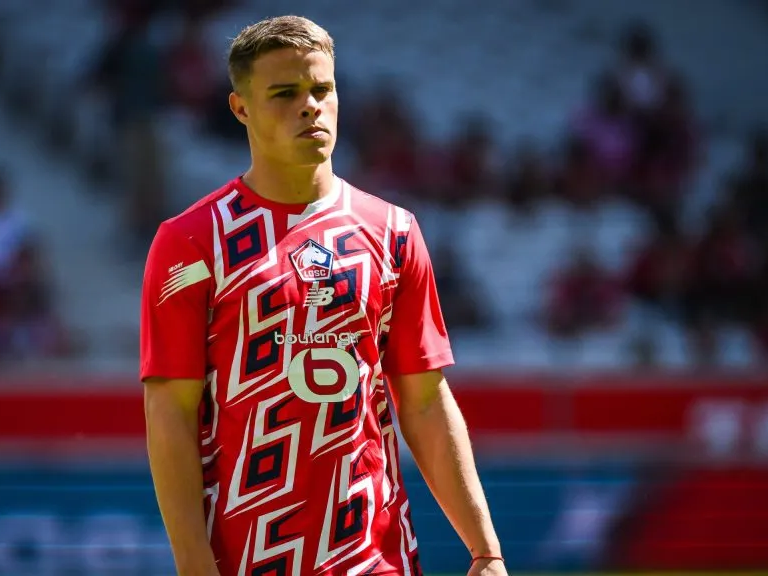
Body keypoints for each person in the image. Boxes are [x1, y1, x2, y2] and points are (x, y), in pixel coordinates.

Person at [140, 15, 506, 576]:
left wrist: (486, 550)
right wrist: (195, 566)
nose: (310, 106)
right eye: (285, 93)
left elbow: (427, 402)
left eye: (322, 89)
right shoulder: (190, 243)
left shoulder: (394, 231)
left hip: (376, 559)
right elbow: (170, 413)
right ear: (240, 108)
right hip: (247, 560)